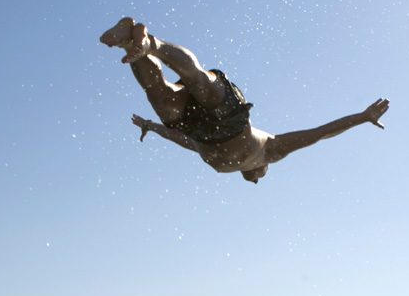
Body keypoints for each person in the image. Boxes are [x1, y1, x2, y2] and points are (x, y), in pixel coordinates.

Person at [99, 17, 389, 184]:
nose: (259, 179)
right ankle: (151, 43)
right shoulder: (270, 150)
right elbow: (319, 134)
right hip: (232, 120)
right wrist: (361, 118)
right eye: (263, 176)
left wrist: (151, 126)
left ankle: (130, 43)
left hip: (196, 131)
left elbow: (181, 141)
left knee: (160, 98)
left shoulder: (224, 164)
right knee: (198, 81)